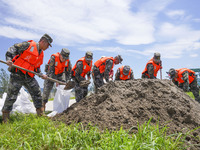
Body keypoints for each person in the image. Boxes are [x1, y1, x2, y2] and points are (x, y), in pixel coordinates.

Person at [2, 33, 53, 123]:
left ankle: (40, 114)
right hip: (17, 73)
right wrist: (9, 60)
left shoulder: (41, 54)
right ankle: (5, 116)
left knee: (37, 92)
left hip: (29, 76)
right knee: (12, 95)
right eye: (48, 45)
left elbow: (36, 67)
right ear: (43, 41)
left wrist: (41, 74)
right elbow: (12, 49)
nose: (48, 47)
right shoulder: (28, 45)